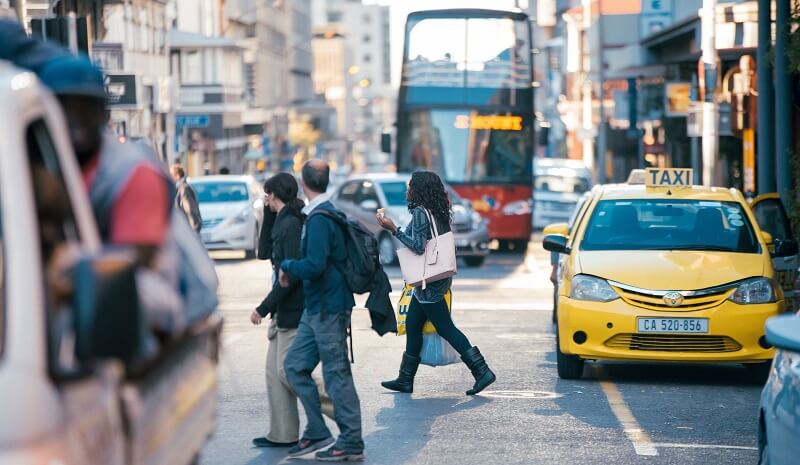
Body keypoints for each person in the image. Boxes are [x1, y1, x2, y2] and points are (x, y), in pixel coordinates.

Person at [376, 170, 496, 395]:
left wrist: (393, 229)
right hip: (435, 277)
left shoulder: (422, 213)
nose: (407, 190)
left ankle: (482, 371)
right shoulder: (436, 211)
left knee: (445, 328)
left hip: (429, 280)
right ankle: (405, 379)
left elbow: (418, 246)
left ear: (418, 189)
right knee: (413, 324)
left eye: (410, 185)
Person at [280, 160, 364, 462]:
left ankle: (351, 441)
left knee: (337, 375)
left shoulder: (320, 219)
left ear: (304, 183)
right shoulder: (323, 213)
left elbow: (314, 265)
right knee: (294, 366)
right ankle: (317, 430)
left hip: (329, 309)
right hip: (316, 308)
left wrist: (287, 266)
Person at [249, 172, 333, 448]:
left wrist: (263, 308)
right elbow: (263, 253)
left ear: (273, 194)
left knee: (288, 372)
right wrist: (268, 212)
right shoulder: (283, 220)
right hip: (283, 311)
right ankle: (283, 434)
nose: (265, 199)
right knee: (274, 374)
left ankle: (340, 410)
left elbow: (291, 274)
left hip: (294, 310)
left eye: (267, 195)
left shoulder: (292, 225)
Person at [171, 164, 202, 233]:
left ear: (177, 176)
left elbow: (190, 210)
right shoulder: (179, 188)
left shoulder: (184, 189)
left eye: (171, 175)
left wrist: (195, 229)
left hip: (188, 230)